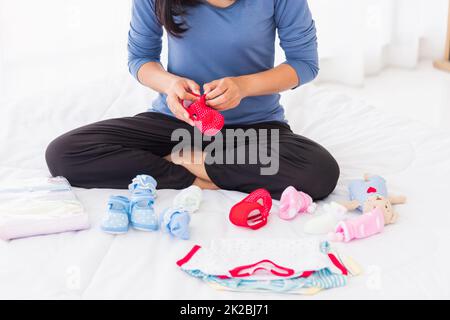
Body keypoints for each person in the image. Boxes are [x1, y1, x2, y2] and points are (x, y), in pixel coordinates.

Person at [45, 0, 339, 199]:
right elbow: (140, 58)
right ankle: (193, 173)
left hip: (254, 130)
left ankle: (185, 162)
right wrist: (170, 84)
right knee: (64, 153)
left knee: (319, 171)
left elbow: (304, 63)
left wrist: (243, 86)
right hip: (175, 125)